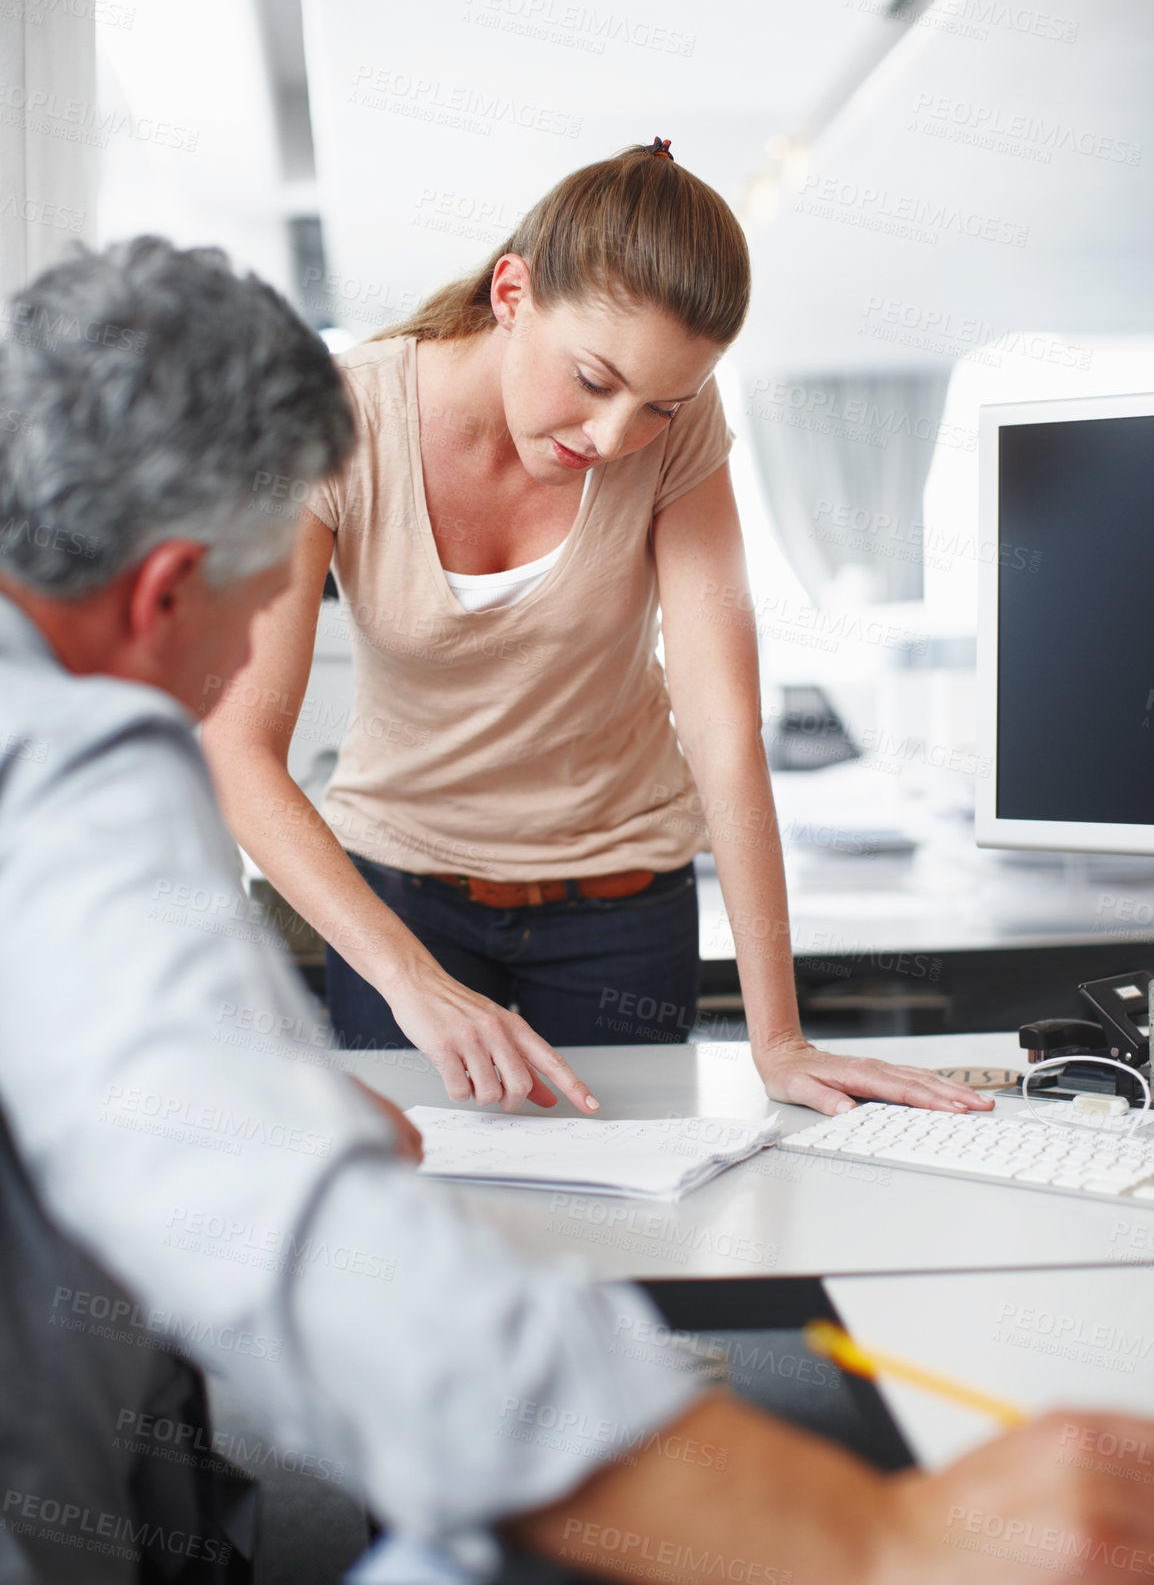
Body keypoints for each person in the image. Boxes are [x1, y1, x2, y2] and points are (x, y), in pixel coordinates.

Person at [2, 236, 1151, 1585]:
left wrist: (263, 1101)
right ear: (160, 595)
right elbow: (303, 1246)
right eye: (267, 603)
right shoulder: (71, 766)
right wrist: (870, 1538)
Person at [202, 140, 994, 1123]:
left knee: (628, 1222)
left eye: (656, 406)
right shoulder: (332, 422)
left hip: (620, 906)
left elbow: (721, 729)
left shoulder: (682, 433)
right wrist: (410, 980)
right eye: (591, 378)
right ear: (510, 293)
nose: (613, 437)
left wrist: (776, 1037)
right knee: (434, 1211)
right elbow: (234, 747)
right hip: (399, 896)